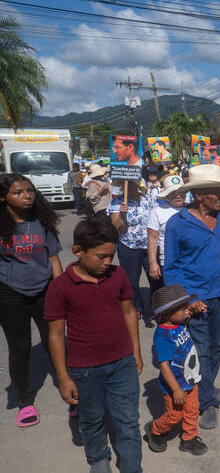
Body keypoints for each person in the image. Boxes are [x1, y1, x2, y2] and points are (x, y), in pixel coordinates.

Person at [45, 217, 143, 473]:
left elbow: (129, 312)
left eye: (111, 256)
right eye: (101, 256)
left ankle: (132, 465)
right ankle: (98, 458)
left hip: (123, 363)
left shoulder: (118, 275)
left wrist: (136, 351)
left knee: (128, 420)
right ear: (78, 251)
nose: (108, 262)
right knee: (91, 419)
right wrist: (63, 377)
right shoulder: (60, 287)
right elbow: (56, 335)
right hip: (85, 370)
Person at [164, 164, 220, 429]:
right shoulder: (177, 224)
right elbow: (171, 268)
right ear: (198, 195)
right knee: (201, 351)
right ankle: (204, 403)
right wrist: (187, 299)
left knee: (218, 345)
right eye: (215, 192)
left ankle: (205, 387)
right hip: (195, 301)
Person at [0, 174, 62, 428]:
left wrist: (61, 293)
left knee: (54, 342)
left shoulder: (42, 222)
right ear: (3, 197)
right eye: (18, 192)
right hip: (9, 293)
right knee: (20, 347)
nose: (27, 196)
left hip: (44, 290)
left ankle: (68, 385)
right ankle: (25, 401)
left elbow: (54, 259)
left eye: (29, 190)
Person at [143, 285, 208, 456]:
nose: (186, 311)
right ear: (167, 314)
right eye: (183, 308)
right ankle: (155, 429)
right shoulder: (163, 336)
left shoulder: (178, 323)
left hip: (190, 379)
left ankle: (189, 438)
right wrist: (176, 389)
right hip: (174, 386)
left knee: (192, 410)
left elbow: (184, 319)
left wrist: (192, 310)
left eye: (186, 307)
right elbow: (164, 366)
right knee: (175, 416)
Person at [107, 179, 159, 319]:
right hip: (128, 246)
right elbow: (116, 227)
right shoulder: (117, 202)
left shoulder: (148, 199)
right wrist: (122, 213)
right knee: (131, 280)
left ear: (137, 185)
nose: (128, 186)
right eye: (125, 184)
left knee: (155, 278)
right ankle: (136, 307)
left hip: (150, 247)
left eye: (132, 183)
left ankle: (158, 306)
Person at [147, 174, 186, 291]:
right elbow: (152, 239)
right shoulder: (157, 212)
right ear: (167, 195)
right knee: (171, 297)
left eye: (180, 191)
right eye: (173, 192)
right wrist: (153, 263)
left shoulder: (192, 210)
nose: (178, 195)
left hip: (190, 261)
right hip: (168, 262)